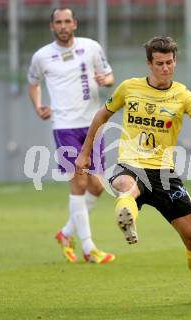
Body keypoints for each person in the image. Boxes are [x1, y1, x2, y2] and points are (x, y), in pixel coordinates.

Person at [75, 36, 191, 303]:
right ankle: (128, 218)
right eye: (160, 63)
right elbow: (101, 116)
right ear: (149, 64)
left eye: (170, 63)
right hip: (130, 163)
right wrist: (85, 153)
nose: (166, 68)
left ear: (175, 61)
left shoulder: (183, 95)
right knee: (126, 186)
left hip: (164, 174)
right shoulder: (129, 88)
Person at [27, 7, 115, 264]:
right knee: (78, 182)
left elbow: (109, 76)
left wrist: (105, 80)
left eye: (67, 21)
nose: (63, 26)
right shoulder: (42, 56)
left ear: (74, 24)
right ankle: (88, 248)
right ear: (52, 26)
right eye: (58, 22)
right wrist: (38, 106)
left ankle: (66, 234)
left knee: (97, 186)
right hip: (64, 125)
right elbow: (33, 82)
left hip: (93, 123)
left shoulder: (90, 47)